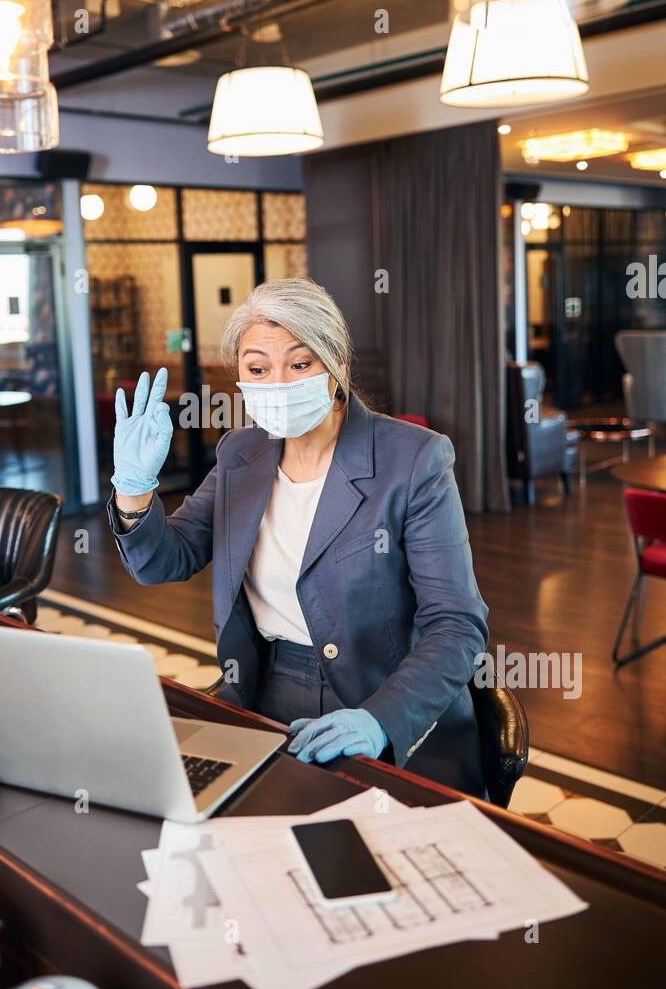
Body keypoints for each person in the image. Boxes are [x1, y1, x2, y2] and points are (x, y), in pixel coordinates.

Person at [107, 277, 489, 797]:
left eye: (301, 363)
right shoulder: (240, 453)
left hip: (385, 693)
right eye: (258, 368)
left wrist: (379, 722)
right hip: (267, 687)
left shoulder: (414, 458)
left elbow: (456, 623)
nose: (279, 382)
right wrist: (134, 490)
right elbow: (164, 561)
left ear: (337, 369)